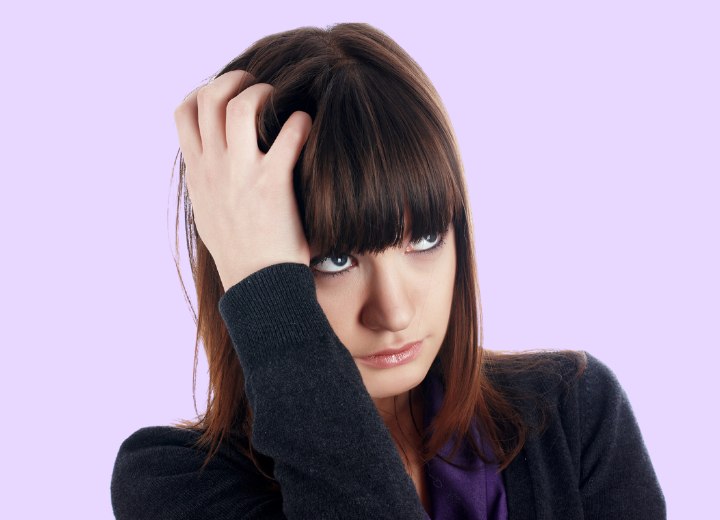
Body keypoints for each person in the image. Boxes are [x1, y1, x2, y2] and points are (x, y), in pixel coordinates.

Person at [110, 23, 665, 519]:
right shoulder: (173, 485)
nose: (394, 311)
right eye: (335, 260)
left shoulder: (570, 416)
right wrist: (267, 290)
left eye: (425, 238)